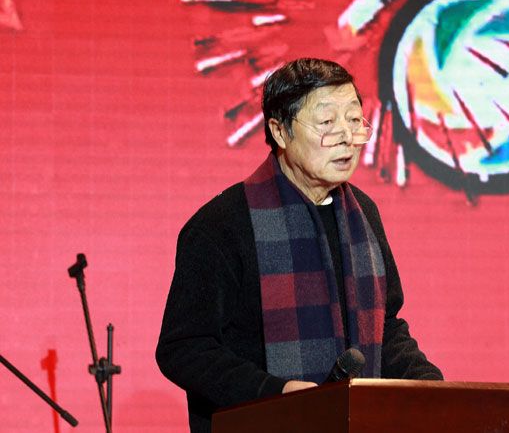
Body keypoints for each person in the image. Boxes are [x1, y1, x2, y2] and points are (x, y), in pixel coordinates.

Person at [156, 58, 442, 433]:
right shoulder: (223, 224)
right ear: (280, 131)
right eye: (327, 123)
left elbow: (383, 327)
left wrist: (431, 388)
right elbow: (184, 348)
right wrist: (275, 393)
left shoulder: (363, 214)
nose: (346, 136)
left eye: (354, 121)